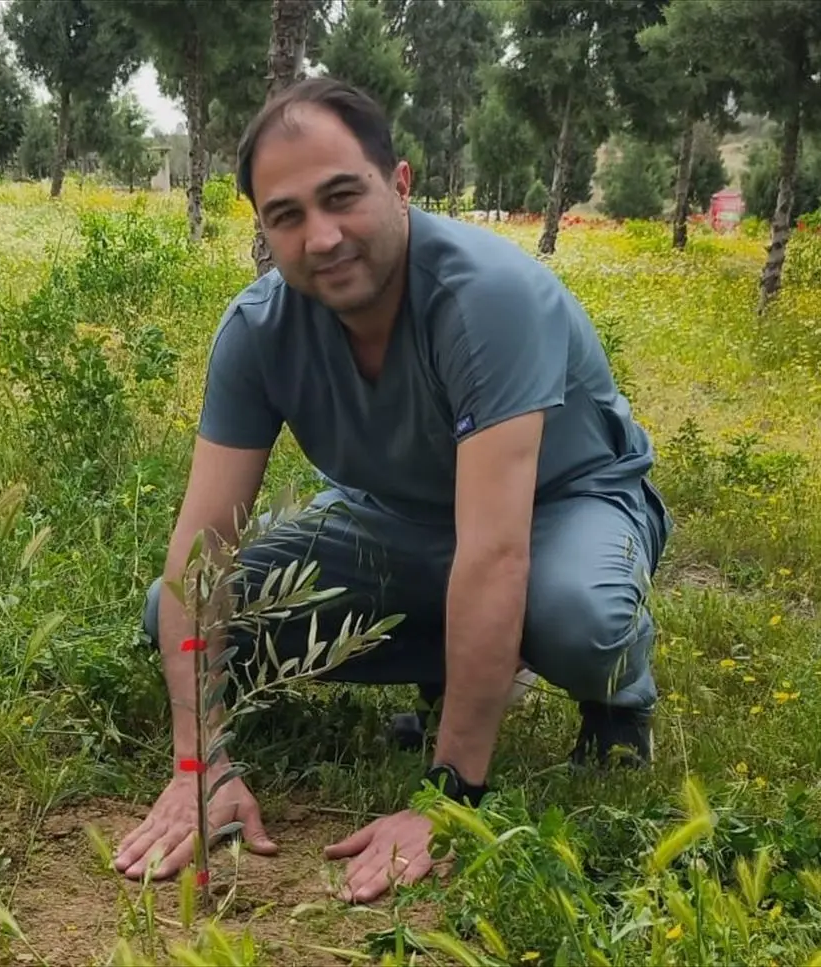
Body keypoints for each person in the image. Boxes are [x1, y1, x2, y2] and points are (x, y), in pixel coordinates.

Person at [112, 77, 672, 904]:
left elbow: (494, 548)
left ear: (401, 184)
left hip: (560, 507)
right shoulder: (259, 331)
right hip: (393, 518)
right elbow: (203, 555)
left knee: (581, 622)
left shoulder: (487, 299)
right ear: (264, 228)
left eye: (343, 196)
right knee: (177, 611)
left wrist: (449, 797)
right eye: (287, 215)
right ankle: (466, 663)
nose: (323, 237)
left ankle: (614, 697)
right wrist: (201, 767)